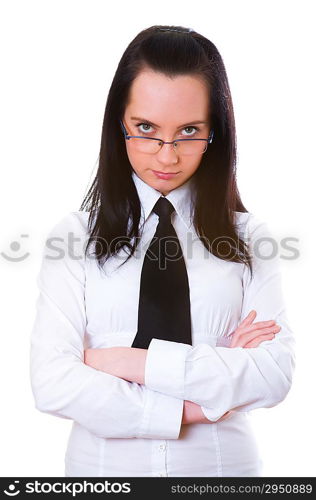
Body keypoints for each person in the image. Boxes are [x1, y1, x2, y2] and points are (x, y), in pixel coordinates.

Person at [30, 24, 296, 477]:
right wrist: (196, 405)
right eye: (146, 128)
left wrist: (124, 361)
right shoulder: (73, 237)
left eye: (189, 130)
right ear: (120, 124)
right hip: (104, 477)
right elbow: (53, 384)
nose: (167, 156)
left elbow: (272, 375)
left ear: (217, 133)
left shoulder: (250, 238)